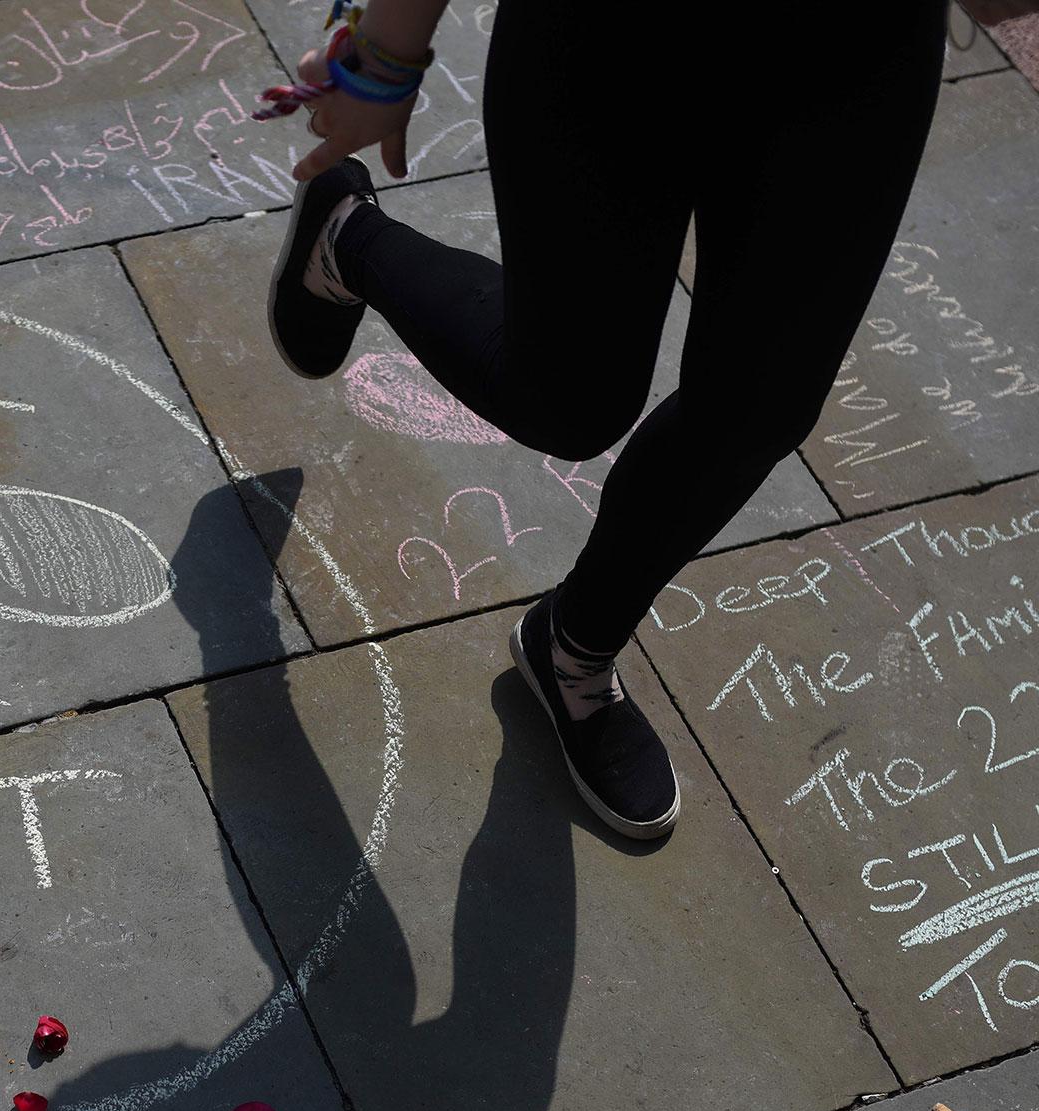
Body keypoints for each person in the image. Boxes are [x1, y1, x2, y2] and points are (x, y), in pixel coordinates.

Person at [266, 0, 951, 839]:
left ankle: (574, 651)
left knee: (762, 406)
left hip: (857, 50)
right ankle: (346, 238)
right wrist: (386, 53)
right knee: (569, 396)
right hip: (618, 35)